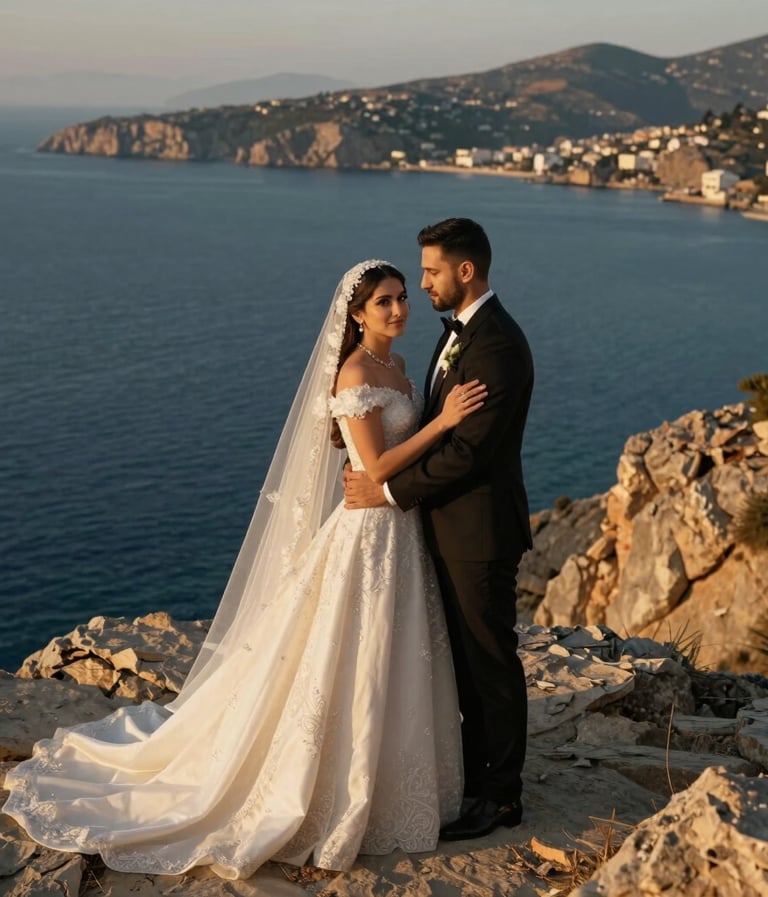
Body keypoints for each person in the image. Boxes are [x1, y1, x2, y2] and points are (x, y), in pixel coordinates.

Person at [2, 261, 488, 879]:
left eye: (401, 299)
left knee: (396, 656)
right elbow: (374, 466)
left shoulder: (395, 367)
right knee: (357, 657)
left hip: (399, 533)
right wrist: (446, 423)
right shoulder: (358, 371)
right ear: (358, 314)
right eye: (384, 302)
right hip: (368, 533)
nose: (398, 310)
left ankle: (400, 790)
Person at [345, 219, 534, 841]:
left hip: (477, 533)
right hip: (441, 531)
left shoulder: (496, 346)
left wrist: (388, 491)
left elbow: (469, 453)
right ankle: (472, 779)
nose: (419, 285)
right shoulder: (455, 337)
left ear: (465, 272)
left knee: (490, 663)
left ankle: (501, 798)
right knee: (463, 665)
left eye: (428, 273)